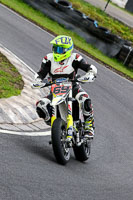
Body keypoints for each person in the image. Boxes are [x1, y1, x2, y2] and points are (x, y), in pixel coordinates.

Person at [33, 35, 97, 139]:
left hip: (73, 87)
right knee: (41, 105)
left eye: (60, 49)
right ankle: (54, 125)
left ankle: (88, 126)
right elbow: (40, 73)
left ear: (67, 49)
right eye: (55, 48)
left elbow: (88, 67)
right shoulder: (48, 59)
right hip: (56, 90)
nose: (56, 51)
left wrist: (90, 74)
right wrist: (38, 80)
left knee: (85, 99)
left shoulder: (75, 58)